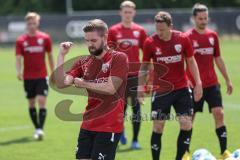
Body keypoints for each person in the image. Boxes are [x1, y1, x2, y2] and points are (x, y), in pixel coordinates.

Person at [55, 19, 128, 160]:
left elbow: (110, 88)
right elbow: (61, 83)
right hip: (88, 125)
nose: (90, 44)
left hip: (109, 127)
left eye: (93, 40)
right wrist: (61, 55)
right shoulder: (83, 62)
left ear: (105, 37)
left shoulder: (119, 58)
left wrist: (84, 83)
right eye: (87, 40)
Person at [138, 11, 202, 160]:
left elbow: (191, 61)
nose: (159, 32)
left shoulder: (182, 39)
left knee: (186, 125)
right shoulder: (150, 42)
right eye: (157, 29)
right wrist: (140, 88)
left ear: (170, 26)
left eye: (162, 29)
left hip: (181, 89)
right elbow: (144, 67)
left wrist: (198, 82)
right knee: (158, 127)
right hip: (161, 91)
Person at [185, 3, 233, 159]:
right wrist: (187, 81)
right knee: (189, 119)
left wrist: (227, 80)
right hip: (193, 86)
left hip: (212, 84)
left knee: (219, 114)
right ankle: (185, 152)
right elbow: (181, 63)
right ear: (193, 19)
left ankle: (224, 151)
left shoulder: (213, 36)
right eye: (200, 18)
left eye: (205, 18)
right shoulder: (187, 37)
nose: (203, 21)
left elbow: (218, 58)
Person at [108, 0, 147, 149]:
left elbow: (147, 53)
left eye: (130, 12)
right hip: (119, 77)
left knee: (136, 109)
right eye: (125, 12)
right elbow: (108, 54)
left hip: (135, 76)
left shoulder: (140, 31)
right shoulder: (113, 31)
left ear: (134, 13)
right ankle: (118, 136)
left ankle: (135, 141)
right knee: (119, 110)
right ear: (120, 13)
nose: (128, 14)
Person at [15, 12, 54, 140]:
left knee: (41, 101)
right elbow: (18, 58)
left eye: (34, 23)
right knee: (31, 103)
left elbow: (50, 55)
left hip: (42, 76)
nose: (32, 25)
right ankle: (37, 127)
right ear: (26, 24)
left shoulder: (45, 38)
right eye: (29, 23)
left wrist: (53, 70)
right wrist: (18, 71)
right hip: (28, 77)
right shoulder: (21, 40)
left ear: (38, 23)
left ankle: (40, 129)